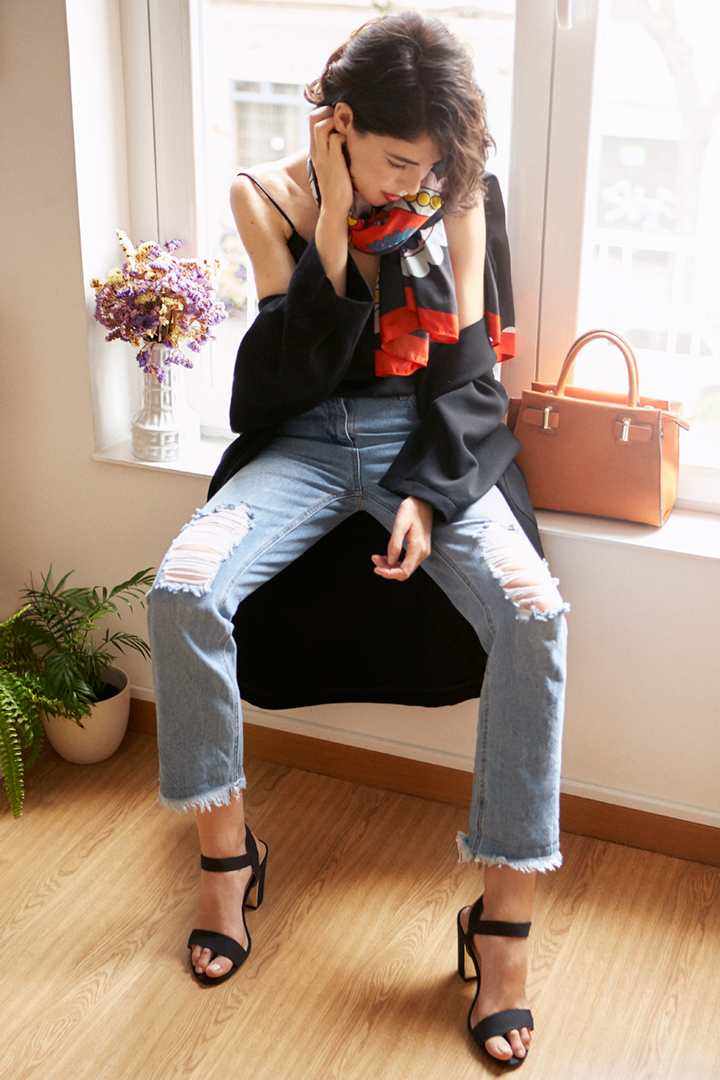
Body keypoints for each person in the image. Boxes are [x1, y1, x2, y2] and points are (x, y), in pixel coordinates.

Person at [146, 11, 568, 1068]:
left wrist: (428, 492)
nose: (415, 186)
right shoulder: (265, 196)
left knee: (535, 613)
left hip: (425, 441)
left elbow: (471, 371)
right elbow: (283, 377)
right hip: (303, 439)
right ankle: (226, 864)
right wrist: (334, 220)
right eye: (394, 163)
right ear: (337, 127)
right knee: (183, 589)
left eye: (431, 167)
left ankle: (503, 927)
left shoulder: (457, 192)